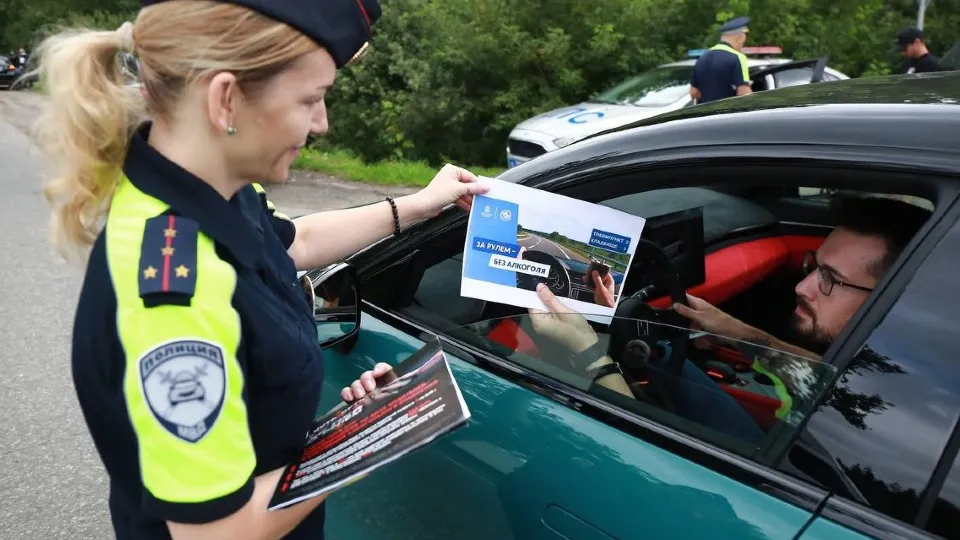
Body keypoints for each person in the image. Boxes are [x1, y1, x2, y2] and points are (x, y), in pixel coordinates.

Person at [32, 1, 488, 539]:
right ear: (225, 99)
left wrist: (419, 206)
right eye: (311, 99)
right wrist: (365, 441)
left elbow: (294, 243)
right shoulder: (176, 292)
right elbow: (213, 533)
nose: (322, 122)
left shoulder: (219, 189)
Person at [344, 197, 933, 442]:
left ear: (894, 296)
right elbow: (825, 382)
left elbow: (645, 450)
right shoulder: (911, 384)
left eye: (829, 280)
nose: (802, 287)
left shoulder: (885, 428)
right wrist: (739, 334)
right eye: (812, 267)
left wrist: (584, 354)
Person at [689, 16, 753, 104]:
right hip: (728, 111)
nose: (742, 45)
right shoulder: (738, 57)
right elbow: (744, 93)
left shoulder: (702, 57)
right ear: (740, 37)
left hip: (705, 111)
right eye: (743, 42)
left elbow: (694, 93)